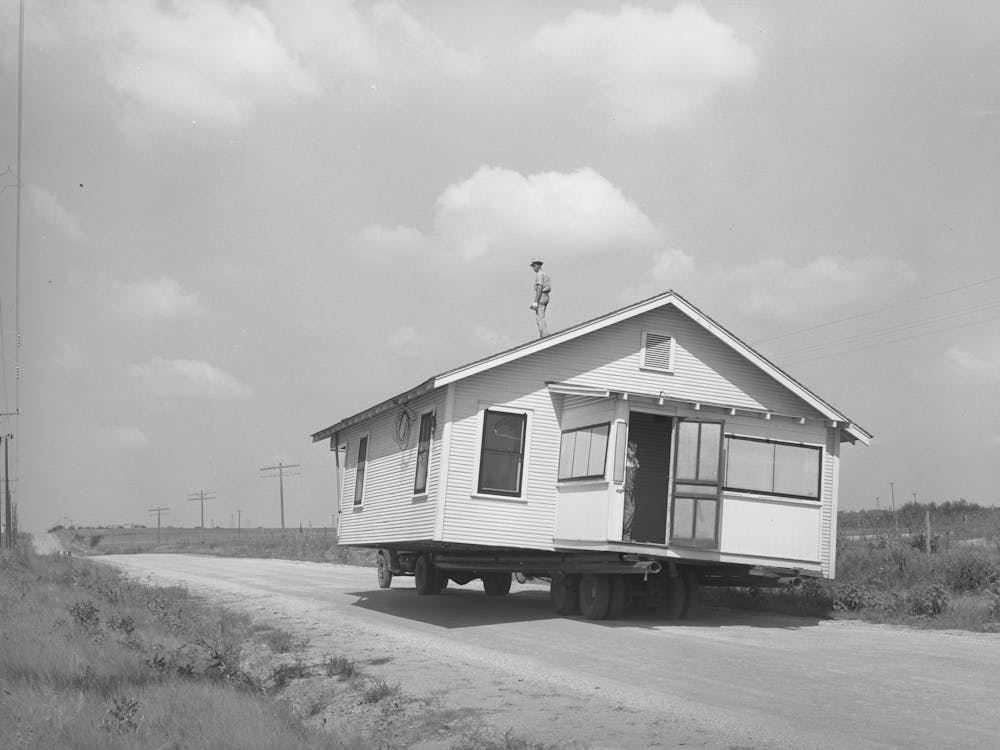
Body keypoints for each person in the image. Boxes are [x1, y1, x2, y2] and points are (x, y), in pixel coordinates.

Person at [529, 260, 551, 338]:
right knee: (542, 316)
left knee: (540, 318)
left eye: (534, 266)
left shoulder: (539, 275)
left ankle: (544, 336)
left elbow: (539, 288)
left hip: (541, 296)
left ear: (538, 265)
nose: (533, 268)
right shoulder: (545, 274)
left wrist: (535, 302)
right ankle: (544, 335)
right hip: (546, 296)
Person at [622, 440, 639, 542]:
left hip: (630, 491)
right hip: (624, 490)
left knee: (631, 511)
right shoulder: (623, 460)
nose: (632, 452)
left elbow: (633, 478)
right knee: (629, 511)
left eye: (634, 451)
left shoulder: (635, 462)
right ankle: (625, 536)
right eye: (631, 450)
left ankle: (626, 536)